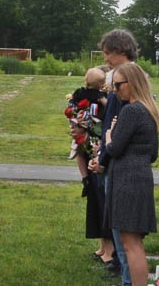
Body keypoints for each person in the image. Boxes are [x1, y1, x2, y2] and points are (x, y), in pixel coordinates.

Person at [103, 62, 159, 286]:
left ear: (132, 83)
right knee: (133, 243)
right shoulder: (147, 110)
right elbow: (153, 154)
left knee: (130, 245)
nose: (115, 91)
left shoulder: (131, 110)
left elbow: (114, 148)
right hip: (140, 178)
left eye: (118, 85)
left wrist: (109, 136)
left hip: (127, 181)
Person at [88, 28, 138, 285]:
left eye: (108, 53)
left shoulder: (128, 79)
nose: (105, 58)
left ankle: (124, 270)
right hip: (109, 151)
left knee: (121, 223)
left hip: (119, 159)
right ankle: (119, 262)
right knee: (113, 216)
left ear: (121, 51)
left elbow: (122, 124)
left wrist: (104, 157)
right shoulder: (117, 76)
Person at [64, 67, 111, 262]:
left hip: (88, 142)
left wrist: (76, 121)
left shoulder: (79, 94)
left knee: (98, 199)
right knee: (98, 200)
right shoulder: (101, 97)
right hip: (93, 141)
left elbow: (71, 109)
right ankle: (104, 247)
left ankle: (105, 248)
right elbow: (106, 111)